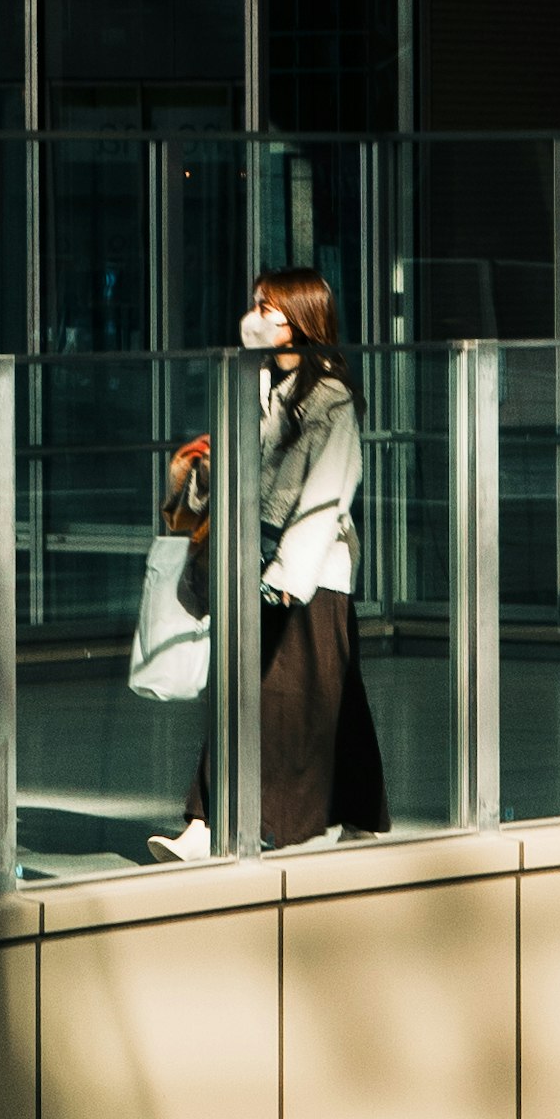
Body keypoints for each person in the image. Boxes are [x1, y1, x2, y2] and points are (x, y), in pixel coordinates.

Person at [162, 270, 390, 857]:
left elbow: (330, 490)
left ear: (301, 320)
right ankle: (350, 808)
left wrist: (289, 576)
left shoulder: (330, 399)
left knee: (277, 694)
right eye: (256, 305)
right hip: (249, 559)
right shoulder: (253, 386)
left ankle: (214, 825)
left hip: (304, 575)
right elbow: (240, 473)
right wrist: (199, 480)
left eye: (270, 307)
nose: (256, 317)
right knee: (321, 695)